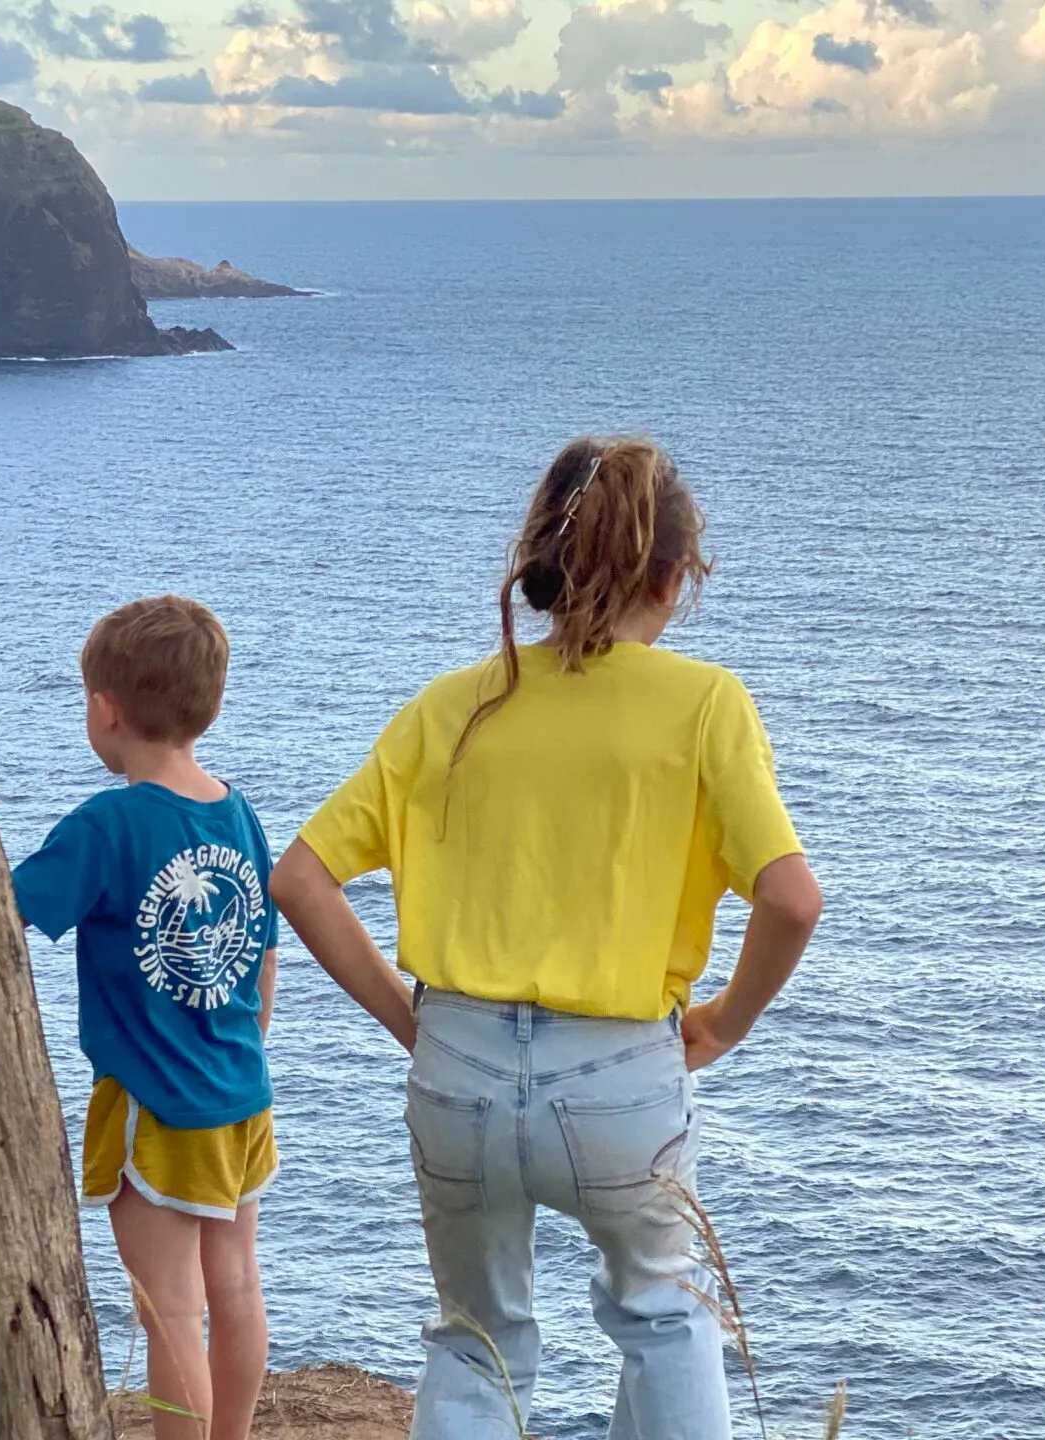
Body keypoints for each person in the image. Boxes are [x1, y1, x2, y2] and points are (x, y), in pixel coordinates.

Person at [271, 438, 823, 1440]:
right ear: (673, 575)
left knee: (478, 1339)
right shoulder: (703, 706)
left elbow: (299, 879)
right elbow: (791, 899)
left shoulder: (449, 707)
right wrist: (725, 1025)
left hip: (457, 1068)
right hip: (621, 1074)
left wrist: (414, 1022)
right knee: (665, 1319)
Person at [11, 596, 279, 1440]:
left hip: (155, 1105)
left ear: (104, 709)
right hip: (241, 1094)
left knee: (169, 1308)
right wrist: (236, 1051)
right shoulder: (239, 814)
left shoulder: (108, 825)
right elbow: (263, 957)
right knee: (235, 1290)